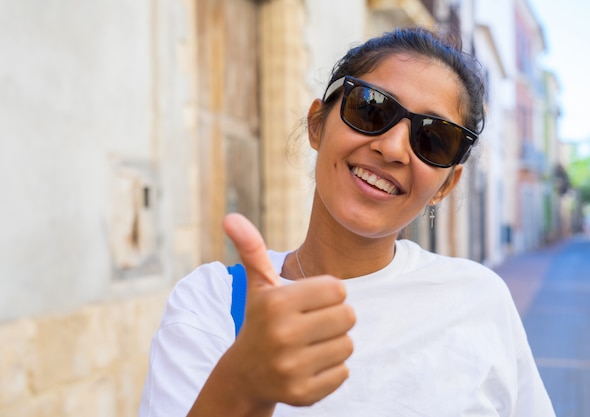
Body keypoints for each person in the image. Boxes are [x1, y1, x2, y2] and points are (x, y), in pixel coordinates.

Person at [139, 27, 555, 417]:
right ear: (317, 124)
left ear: (447, 183)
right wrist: (243, 382)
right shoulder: (211, 304)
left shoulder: (479, 301)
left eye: (433, 137)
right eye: (371, 109)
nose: (393, 148)